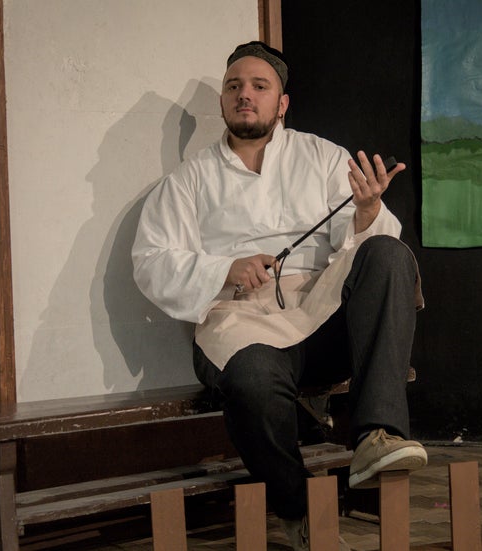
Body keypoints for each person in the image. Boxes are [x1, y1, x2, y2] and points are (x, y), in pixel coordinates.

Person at [133, 41, 426, 550]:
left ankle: (376, 436)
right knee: (249, 380)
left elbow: (370, 249)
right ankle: (300, 512)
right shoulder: (190, 179)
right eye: (234, 86)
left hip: (318, 311)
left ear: (282, 103)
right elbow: (151, 258)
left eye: (258, 86)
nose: (244, 95)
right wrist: (224, 268)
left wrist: (364, 214)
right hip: (242, 319)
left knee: (387, 251)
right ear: (223, 102)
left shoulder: (323, 157)